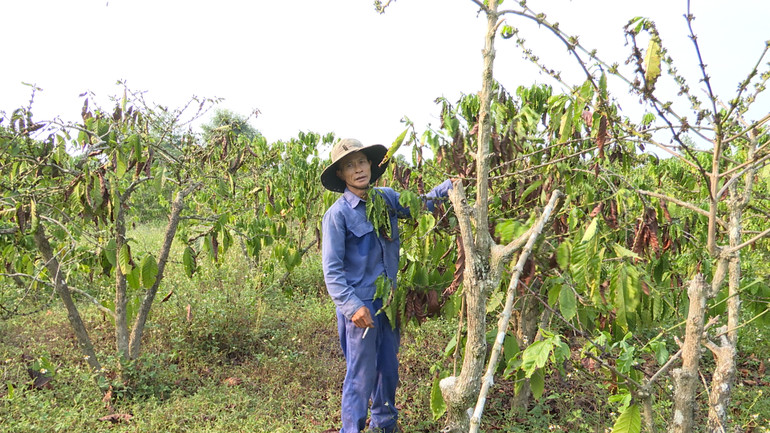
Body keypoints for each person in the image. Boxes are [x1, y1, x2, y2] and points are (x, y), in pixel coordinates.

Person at [321, 138, 452, 433]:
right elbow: (332, 271)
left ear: (371, 165)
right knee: (361, 375)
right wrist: (353, 307)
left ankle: (384, 425)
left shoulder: (386, 198)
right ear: (341, 174)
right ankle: (351, 429)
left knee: (388, 369)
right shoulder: (337, 215)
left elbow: (420, 205)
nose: (358, 170)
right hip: (360, 307)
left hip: (389, 303)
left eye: (362, 162)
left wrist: (448, 187)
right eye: (349, 165)